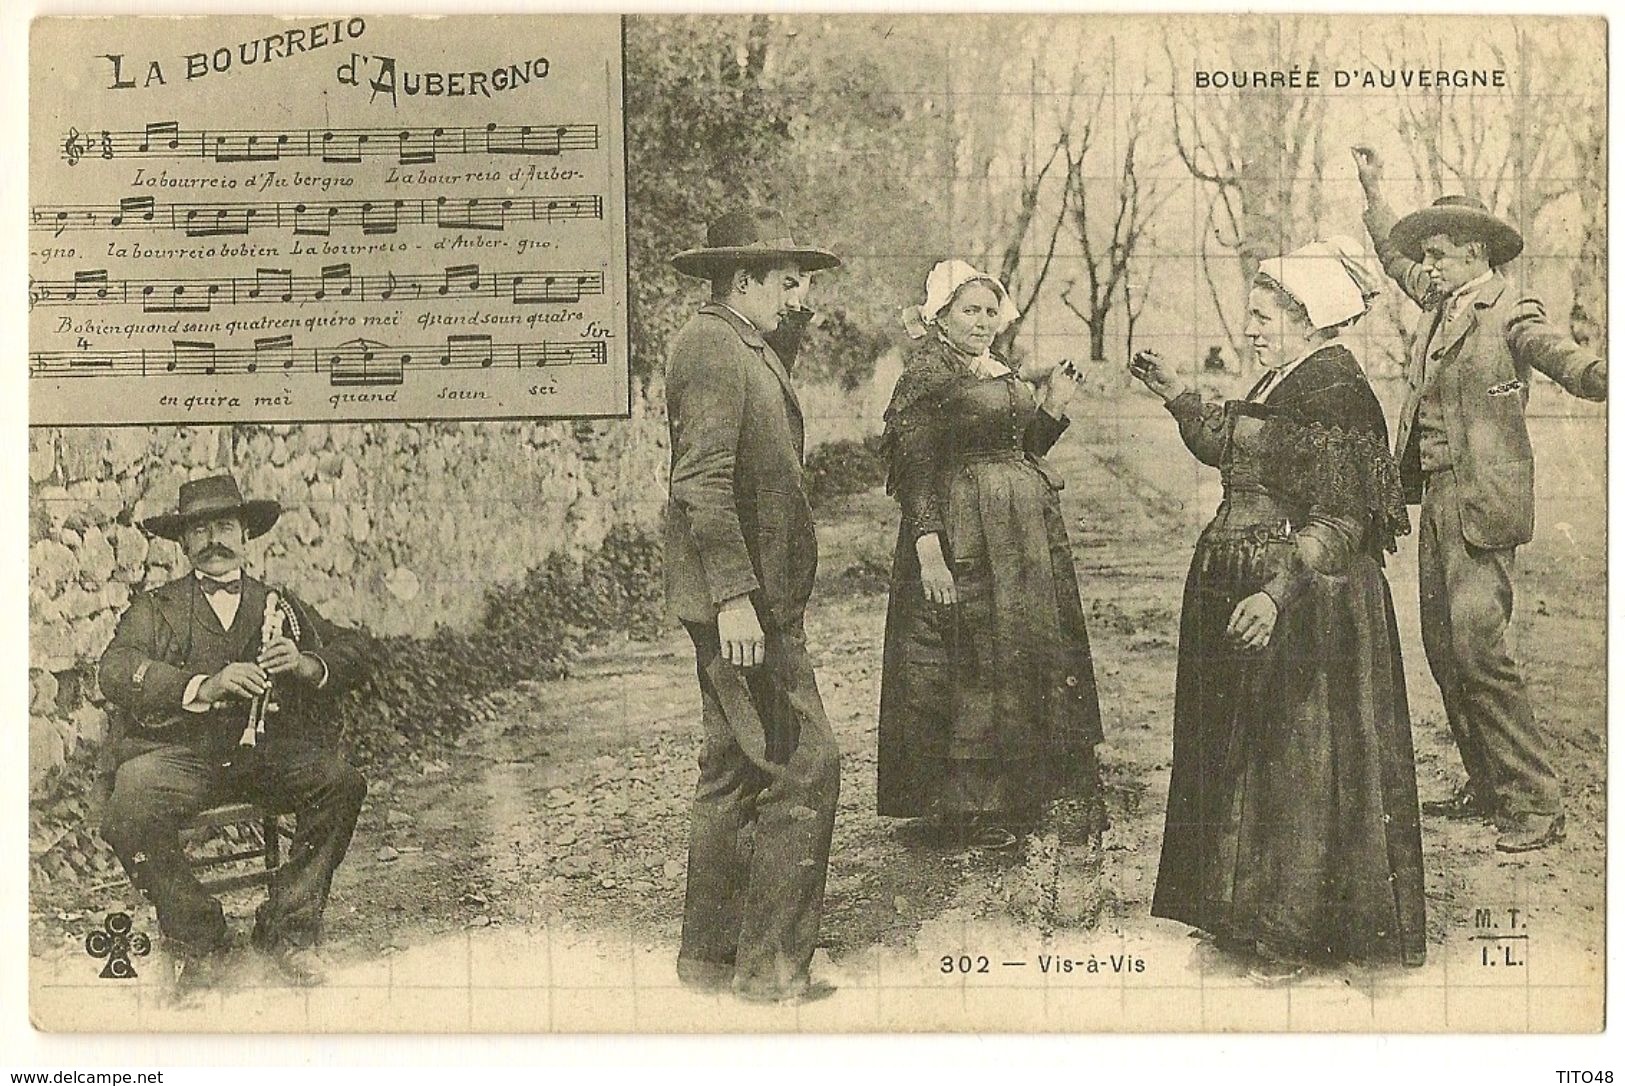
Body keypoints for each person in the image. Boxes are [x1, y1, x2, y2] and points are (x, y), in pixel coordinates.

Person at [1132, 238, 1426, 977]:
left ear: (1307, 317)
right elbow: (1234, 446)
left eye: (1264, 315)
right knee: (1244, 755)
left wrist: (1274, 591)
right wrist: (1175, 392)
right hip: (1255, 588)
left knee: (1295, 765)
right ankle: (1240, 911)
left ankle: (1292, 931)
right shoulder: (1283, 376)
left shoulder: (1337, 392)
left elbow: (1341, 520)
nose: (1252, 327)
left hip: (1308, 602)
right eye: (1254, 314)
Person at [1353, 146, 1608, 852]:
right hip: (1433, 502)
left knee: (1478, 650)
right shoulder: (1440, 301)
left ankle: (1535, 802)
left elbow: (1555, 352)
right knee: (1443, 649)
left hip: (1480, 507)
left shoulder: (1507, 309)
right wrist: (1373, 191)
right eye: (1423, 258)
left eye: (1435, 255)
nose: (1423, 267)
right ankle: (1486, 785)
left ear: (1472, 253)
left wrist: (1598, 374)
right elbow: (1389, 258)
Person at [663, 207, 843, 1004]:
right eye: (785, 282)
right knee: (807, 766)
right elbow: (700, 480)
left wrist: (793, 317)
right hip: (745, 606)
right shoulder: (710, 346)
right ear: (742, 281)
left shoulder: (737, 341)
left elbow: (765, 399)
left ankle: (708, 959)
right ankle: (770, 971)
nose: (796, 296)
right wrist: (735, 597)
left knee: (734, 768)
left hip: (754, 597)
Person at [98, 473, 369, 988]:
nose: (213, 540)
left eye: (225, 526)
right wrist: (203, 684)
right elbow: (115, 669)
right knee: (127, 806)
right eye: (198, 531)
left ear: (245, 535)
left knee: (342, 782)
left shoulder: (279, 604)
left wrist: (306, 663)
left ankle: (287, 930)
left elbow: (356, 652)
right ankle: (199, 937)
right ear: (183, 543)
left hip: (267, 754)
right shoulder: (157, 609)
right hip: (186, 756)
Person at [876, 260, 1104, 850]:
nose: (982, 322)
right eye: (968, 311)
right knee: (970, 655)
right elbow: (914, 468)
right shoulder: (927, 370)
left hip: (1020, 534)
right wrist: (929, 550)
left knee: (1018, 651)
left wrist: (1054, 404)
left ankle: (1017, 794)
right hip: (962, 529)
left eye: (988, 311)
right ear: (941, 315)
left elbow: (1020, 449)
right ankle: (966, 806)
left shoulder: (994, 367)